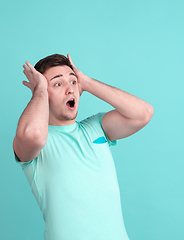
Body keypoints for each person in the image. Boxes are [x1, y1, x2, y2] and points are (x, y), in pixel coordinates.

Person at [13, 53, 154, 240]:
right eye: (57, 84)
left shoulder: (96, 127)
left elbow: (143, 113)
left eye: (73, 82)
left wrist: (85, 81)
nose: (70, 90)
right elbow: (34, 135)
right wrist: (39, 89)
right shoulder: (38, 142)